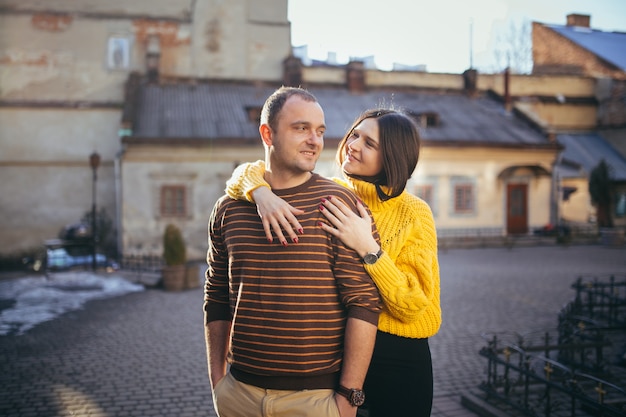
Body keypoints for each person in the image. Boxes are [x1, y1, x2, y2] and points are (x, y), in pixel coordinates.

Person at [225, 108, 442, 416]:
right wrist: (261, 194)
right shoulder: (329, 192)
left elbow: (413, 304)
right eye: (355, 134)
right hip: (340, 353)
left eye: (369, 143)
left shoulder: (413, 212)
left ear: (392, 156)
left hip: (397, 358)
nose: (353, 145)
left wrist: (368, 247)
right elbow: (248, 170)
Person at [204, 86, 382, 417]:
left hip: (314, 400)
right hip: (238, 395)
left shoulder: (337, 204)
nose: (315, 140)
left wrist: (348, 399)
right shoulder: (229, 209)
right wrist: (217, 381)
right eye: (302, 128)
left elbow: (364, 303)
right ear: (267, 133)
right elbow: (216, 296)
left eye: (320, 131)